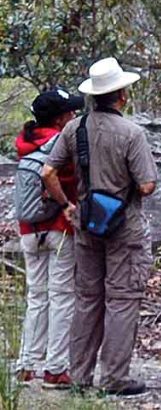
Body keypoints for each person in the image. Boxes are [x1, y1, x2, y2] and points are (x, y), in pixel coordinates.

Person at [41, 57, 158, 396]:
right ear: (120, 94)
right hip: (125, 227)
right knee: (122, 300)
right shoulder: (131, 133)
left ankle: (79, 376)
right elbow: (148, 185)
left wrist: (66, 206)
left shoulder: (74, 128)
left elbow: (47, 172)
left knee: (88, 298)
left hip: (85, 224)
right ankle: (115, 378)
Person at [13, 89, 85, 389]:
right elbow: (55, 175)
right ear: (59, 118)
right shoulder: (62, 141)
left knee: (36, 297)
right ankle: (56, 368)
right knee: (61, 297)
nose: (73, 116)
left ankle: (27, 364)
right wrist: (68, 204)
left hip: (28, 229)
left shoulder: (25, 143)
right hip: (58, 227)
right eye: (69, 112)